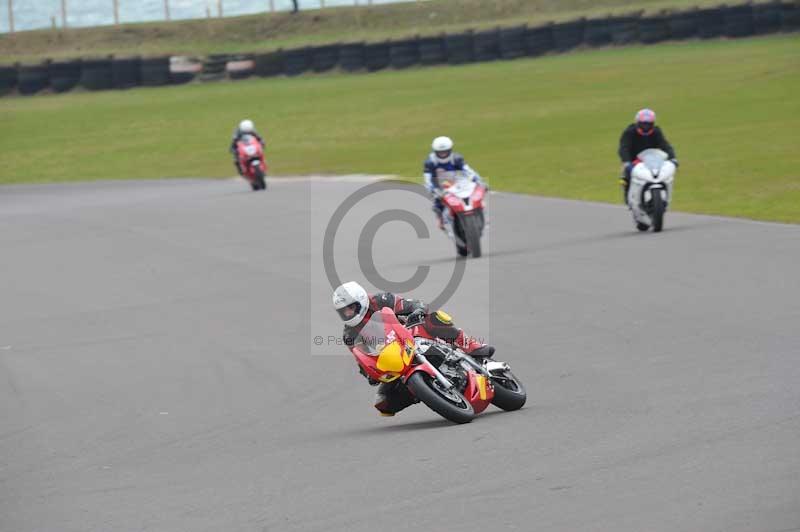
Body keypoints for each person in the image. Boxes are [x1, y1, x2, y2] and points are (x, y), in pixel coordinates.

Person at [332, 281, 494, 416]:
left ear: (361, 300)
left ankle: (470, 345)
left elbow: (412, 304)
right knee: (383, 403)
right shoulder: (350, 335)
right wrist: (369, 373)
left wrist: (417, 311)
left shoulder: (380, 300)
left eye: (350, 308)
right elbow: (362, 359)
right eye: (343, 311)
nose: (348, 313)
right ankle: (425, 391)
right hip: (393, 358)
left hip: (410, 334)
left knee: (434, 317)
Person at [423, 136, 486, 229]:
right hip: (438, 183)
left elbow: (467, 170)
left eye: (445, 151)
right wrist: (432, 189)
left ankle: (479, 212)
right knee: (438, 200)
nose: (443, 154)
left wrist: (478, 179)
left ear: (450, 149)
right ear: (435, 151)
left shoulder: (456, 158)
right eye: (440, 152)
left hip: (455, 180)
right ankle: (440, 218)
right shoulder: (430, 162)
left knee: (472, 192)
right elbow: (427, 178)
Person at [618, 109, 678, 203]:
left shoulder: (656, 132)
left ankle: (663, 195)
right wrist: (626, 162)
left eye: (649, 124)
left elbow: (665, 145)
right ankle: (627, 194)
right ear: (638, 123)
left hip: (652, 159)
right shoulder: (629, 132)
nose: (646, 127)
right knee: (626, 176)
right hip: (633, 159)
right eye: (643, 124)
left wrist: (673, 158)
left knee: (662, 173)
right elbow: (624, 148)